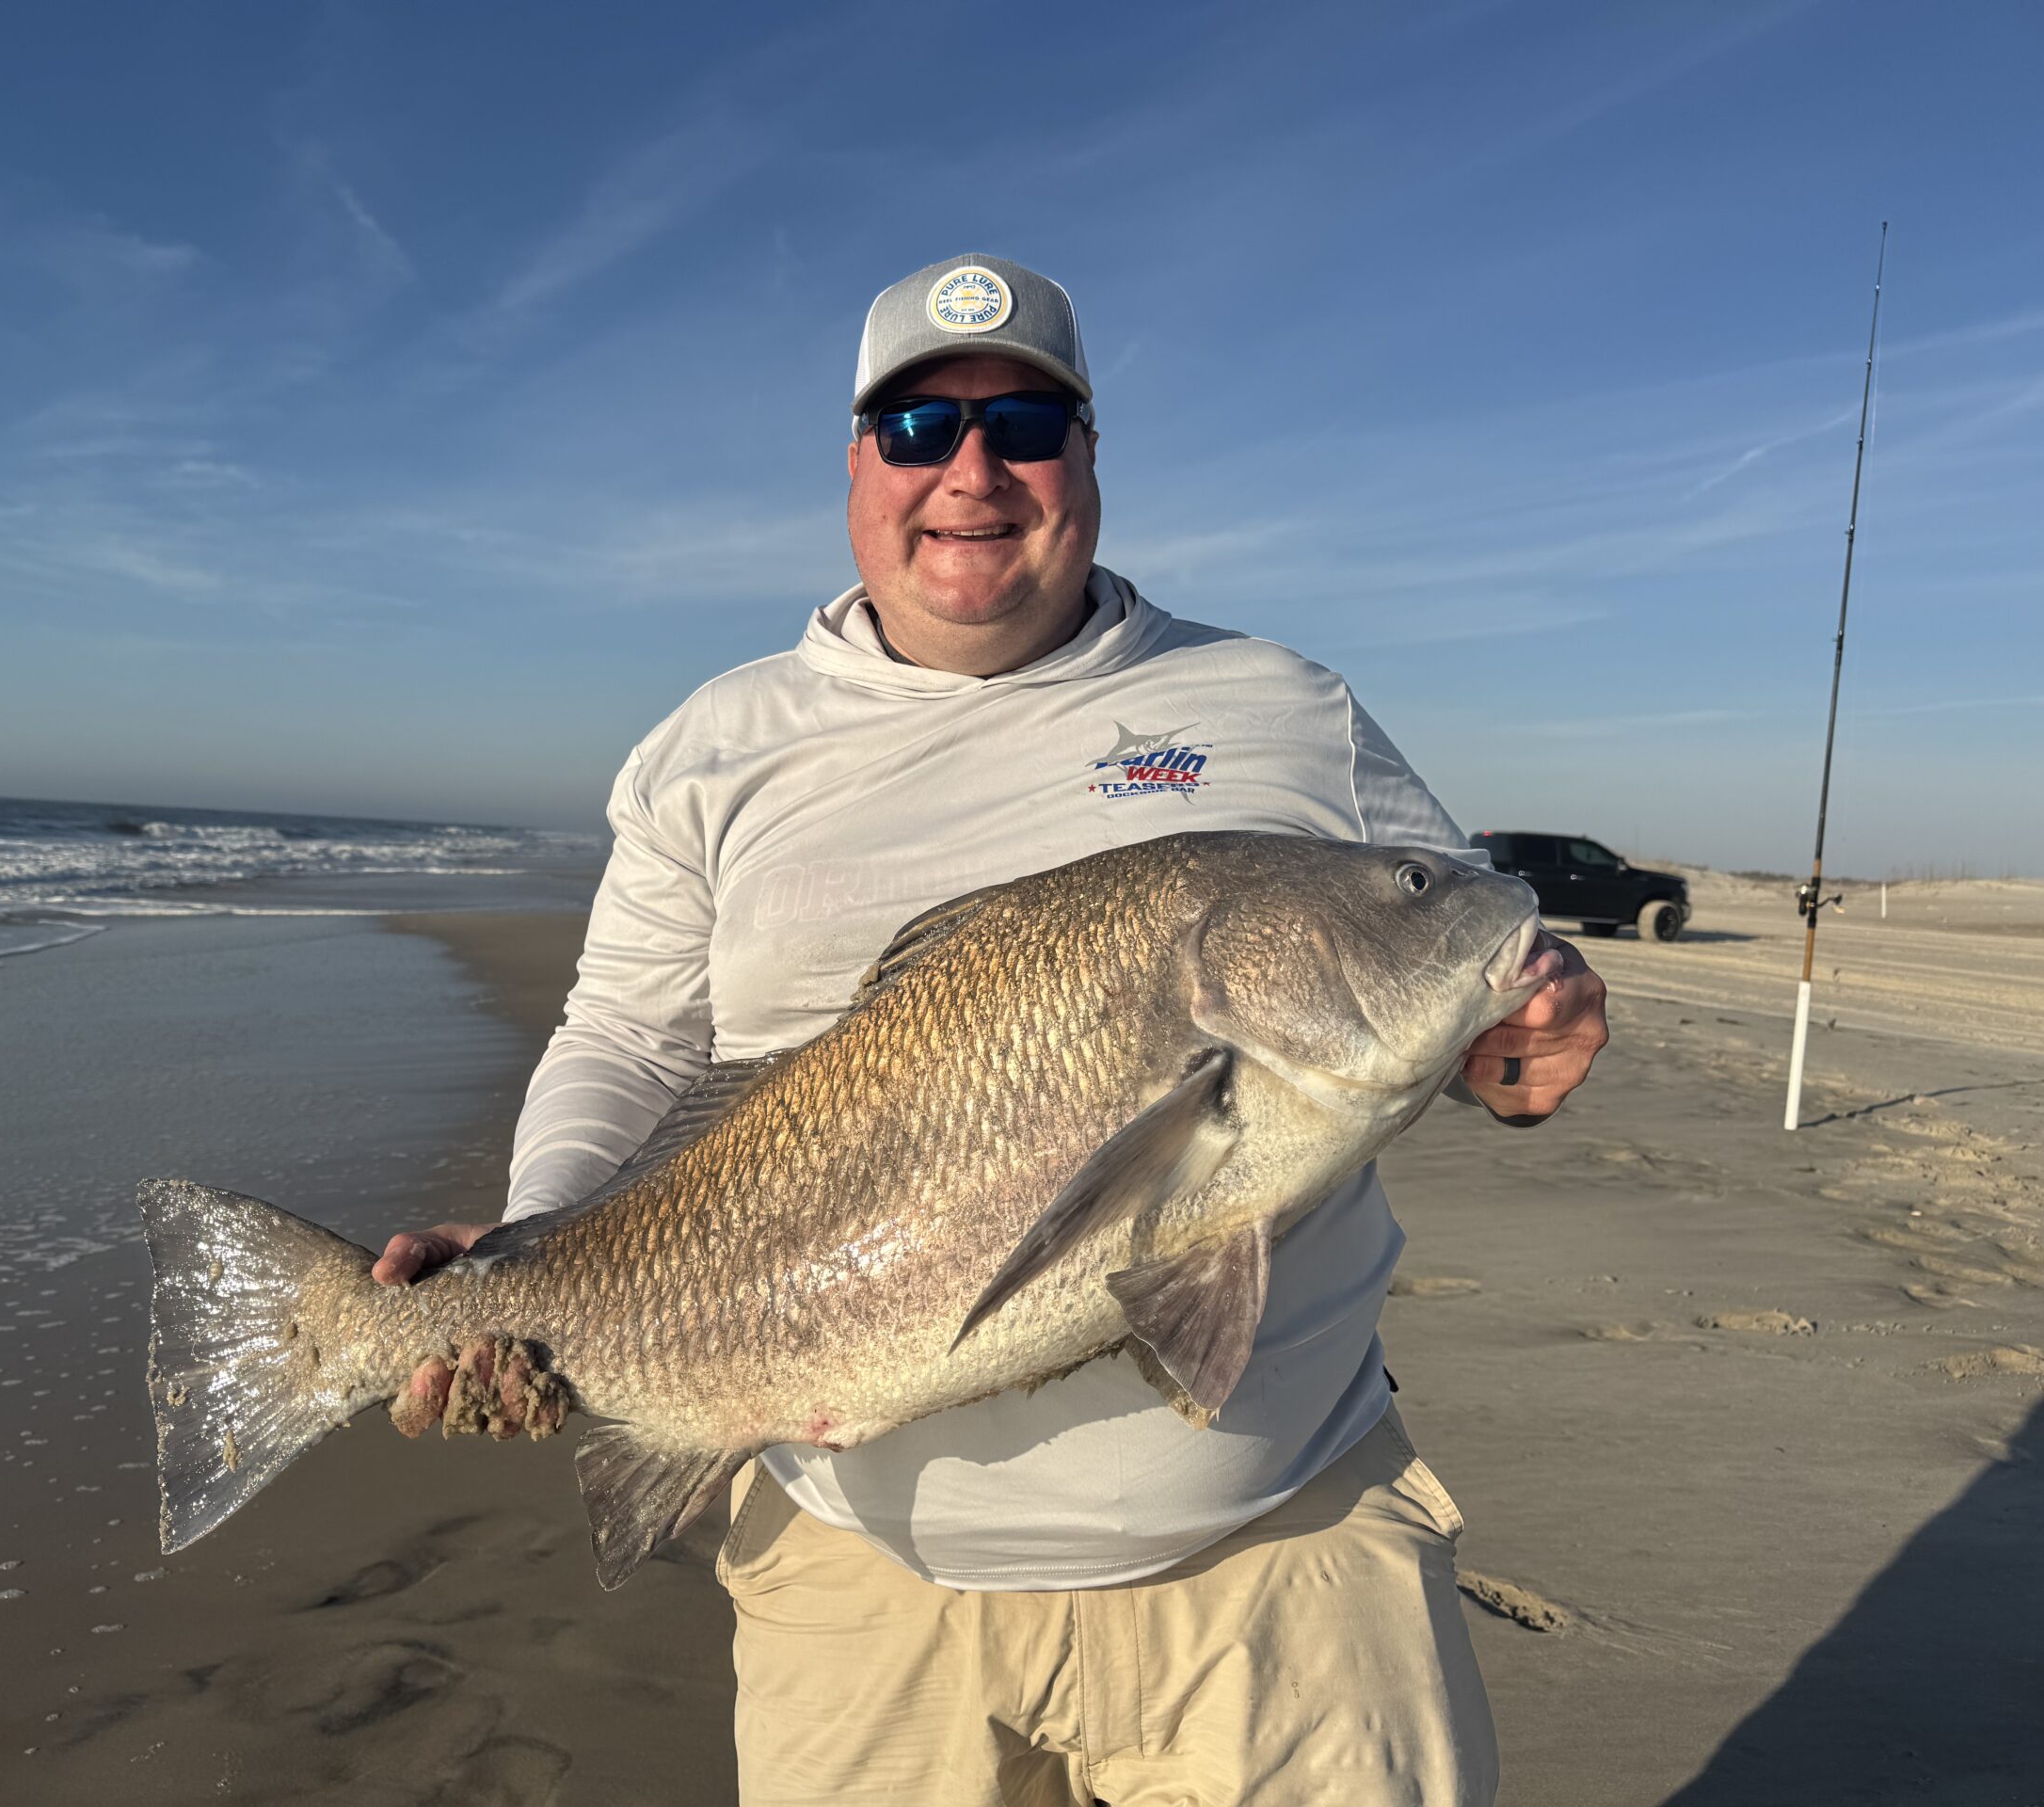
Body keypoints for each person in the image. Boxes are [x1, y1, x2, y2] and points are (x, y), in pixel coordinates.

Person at [375, 254, 1610, 1805]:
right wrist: (539, 1247)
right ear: (855, 464)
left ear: (1088, 458)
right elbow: (625, 1035)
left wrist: (1536, 1038)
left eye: (1025, 421)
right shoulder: (713, 744)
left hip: (1281, 1558)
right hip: (856, 1591)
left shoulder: (1283, 706)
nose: (972, 468)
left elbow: (1479, 956)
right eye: (916, 427)